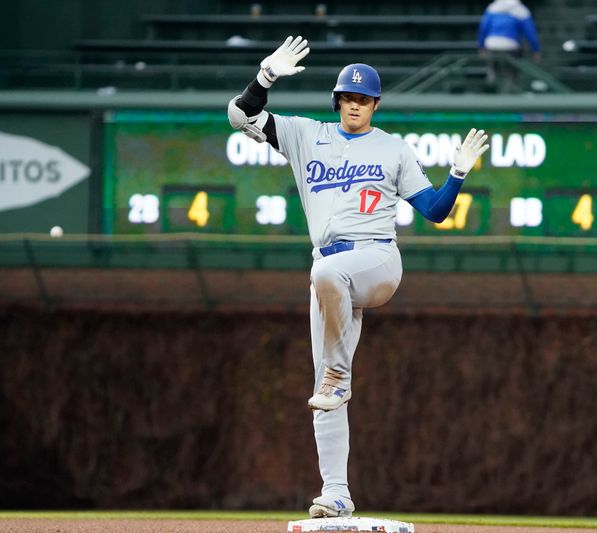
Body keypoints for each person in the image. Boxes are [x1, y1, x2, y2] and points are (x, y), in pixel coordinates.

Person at [226, 36, 489, 518]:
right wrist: (266, 75)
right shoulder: (308, 135)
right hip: (328, 277)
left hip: (376, 262)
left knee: (328, 293)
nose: (355, 104)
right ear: (337, 101)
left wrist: (456, 173)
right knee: (324, 391)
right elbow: (240, 116)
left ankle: (339, 373)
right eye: (348, 97)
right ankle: (336, 492)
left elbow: (434, 212)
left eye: (364, 98)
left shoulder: (393, 147)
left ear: (375, 104)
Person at [477, 0, 541, 93]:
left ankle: (492, 97)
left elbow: (483, 28)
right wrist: (536, 50)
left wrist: (481, 46)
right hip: (511, 46)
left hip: (492, 44)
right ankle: (508, 97)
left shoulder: (492, 7)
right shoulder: (522, 10)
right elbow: (530, 32)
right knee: (511, 75)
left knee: (493, 72)